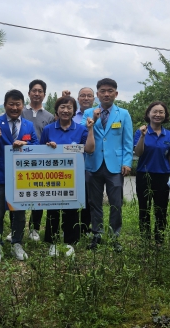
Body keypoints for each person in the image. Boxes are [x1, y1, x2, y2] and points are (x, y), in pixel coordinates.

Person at [0, 89, 38, 262]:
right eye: (11, 104)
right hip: (1, 175)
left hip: (22, 177)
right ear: (5, 105)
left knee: (19, 213)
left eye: (18, 104)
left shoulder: (28, 125)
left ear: (23, 105)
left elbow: (37, 146)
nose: (14, 107)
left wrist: (25, 144)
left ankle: (17, 243)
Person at [81, 78, 133, 252]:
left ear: (116, 93)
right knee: (94, 202)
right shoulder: (89, 112)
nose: (106, 94)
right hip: (93, 163)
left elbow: (127, 141)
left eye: (110, 91)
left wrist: (127, 162)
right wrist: (94, 120)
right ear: (97, 94)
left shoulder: (123, 114)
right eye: (102, 91)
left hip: (115, 166)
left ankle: (114, 236)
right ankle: (97, 234)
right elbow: (81, 132)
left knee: (116, 203)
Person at [41, 96, 95, 257]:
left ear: (74, 110)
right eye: (62, 107)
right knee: (53, 209)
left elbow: (89, 149)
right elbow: (40, 152)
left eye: (69, 107)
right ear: (57, 110)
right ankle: (52, 242)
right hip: (52, 176)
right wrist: (48, 147)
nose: (66, 110)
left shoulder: (81, 129)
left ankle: (70, 242)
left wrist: (90, 129)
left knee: (71, 209)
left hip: (74, 177)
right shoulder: (48, 129)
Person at [133, 101, 170, 245]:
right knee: (144, 208)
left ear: (165, 115)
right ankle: (145, 240)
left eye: (161, 112)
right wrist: (142, 136)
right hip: (144, 175)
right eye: (155, 111)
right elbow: (138, 153)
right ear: (148, 114)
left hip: (162, 176)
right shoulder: (140, 132)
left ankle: (159, 240)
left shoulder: (169, 135)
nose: (158, 114)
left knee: (161, 209)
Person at [16, 79, 55, 242]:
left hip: (41, 161)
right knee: (19, 194)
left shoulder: (49, 116)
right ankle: (15, 229)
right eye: (34, 90)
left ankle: (34, 228)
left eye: (40, 91)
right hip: (20, 159)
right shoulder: (20, 112)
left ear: (44, 95)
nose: (37, 94)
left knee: (39, 195)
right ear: (29, 93)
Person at [62, 87, 96, 234]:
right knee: (69, 197)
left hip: (90, 163)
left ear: (94, 98)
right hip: (69, 165)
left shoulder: (97, 113)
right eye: (83, 95)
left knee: (88, 198)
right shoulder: (70, 114)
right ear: (78, 98)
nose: (86, 98)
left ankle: (85, 227)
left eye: (89, 96)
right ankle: (69, 228)